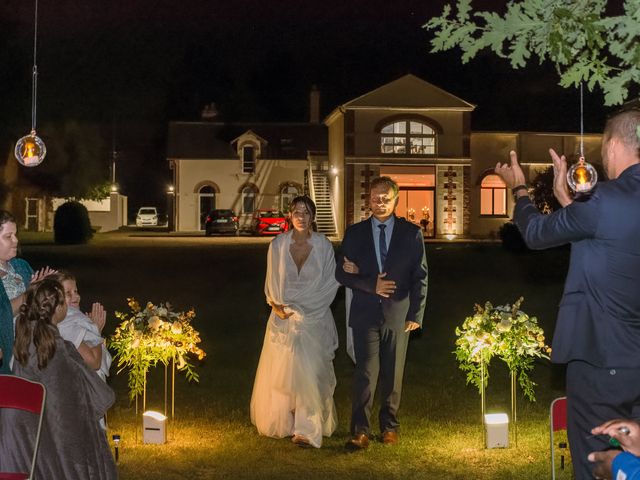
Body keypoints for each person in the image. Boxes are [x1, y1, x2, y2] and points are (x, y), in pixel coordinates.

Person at [494, 109, 640, 479]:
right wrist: (568, 200)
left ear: (614, 144)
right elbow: (607, 237)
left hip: (601, 361)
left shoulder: (604, 199)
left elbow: (537, 234)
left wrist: (519, 189)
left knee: (598, 464)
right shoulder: (602, 204)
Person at [336, 176, 428, 449]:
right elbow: (341, 273)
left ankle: (389, 426)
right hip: (364, 313)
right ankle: (360, 430)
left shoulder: (411, 234)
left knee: (393, 373)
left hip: (398, 315)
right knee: (365, 373)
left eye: (385, 198)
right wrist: (369, 284)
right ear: (369, 200)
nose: (380, 203)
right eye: (375, 198)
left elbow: (420, 276)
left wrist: (416, 313)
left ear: (396, 200)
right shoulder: (355, 233)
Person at [0, 278, 117, 479]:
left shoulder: (23, 345)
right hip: (63, 445)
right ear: (58, 308)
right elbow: (96, 395)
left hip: (31, 444)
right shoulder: (59, 350)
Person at [250, 196, 339, 448]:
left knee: (310, 372)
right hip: (283, 318)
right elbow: (272, 281)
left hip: (315, 318)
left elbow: (330, 283)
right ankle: (284, 421)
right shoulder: (278, 244)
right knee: (284, 372)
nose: (301, 216)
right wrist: (276, 304)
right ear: (289, 215)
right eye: (297, 212)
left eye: (307, 212)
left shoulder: (323, 246)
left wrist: (306, 308)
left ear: (313, 217)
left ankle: (307, 429)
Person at [0, 210, 55, 373]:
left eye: (15, 235)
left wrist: (47, 288)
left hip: (32, 350)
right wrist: (29, 293)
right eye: (8, 236)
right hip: (8, 354)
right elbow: (2, 313)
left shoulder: (21, 267)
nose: (16, 240)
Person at [54, 270, 112, 381]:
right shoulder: (65, 324)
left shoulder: (75, 319)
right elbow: (95, 363)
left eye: (76, 291)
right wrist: (96, 330)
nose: (76, 297)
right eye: (68, 293)